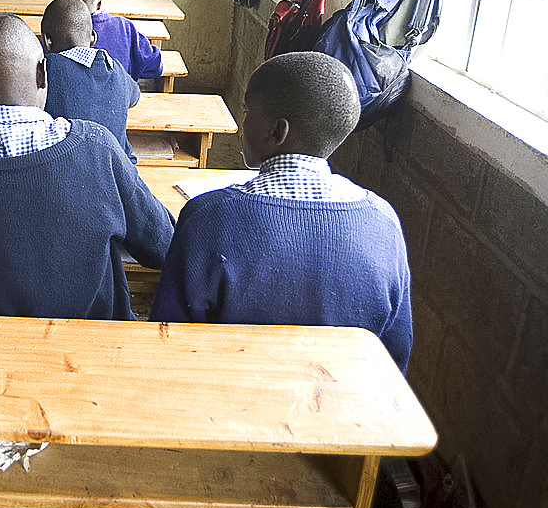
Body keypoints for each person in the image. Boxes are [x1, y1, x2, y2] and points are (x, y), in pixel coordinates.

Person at [0, 12, 174, 508]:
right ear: (44, 75)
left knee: (1, 385)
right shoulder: (95, 147)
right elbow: (160, 247)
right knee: (102, 397)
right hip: (95, 351)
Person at [151, 50, 412, 368]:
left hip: (225, 403)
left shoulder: (208, 217)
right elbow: (394, 354)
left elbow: (168, 339)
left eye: (248, 111)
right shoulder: (382, 220)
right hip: (342, 408)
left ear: (276, 132)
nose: (243, 120)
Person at [41, 0, 140, 163]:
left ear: (46, 40)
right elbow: (135, 97)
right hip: (118, 173)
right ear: (93, 37)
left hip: (66, 169)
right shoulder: (116, 69)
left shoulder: (45, 69)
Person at [59, 0, 163, 81]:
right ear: (99, 5)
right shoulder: (124, 26)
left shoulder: (58, 31)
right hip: (122, 96)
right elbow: (155, 67)